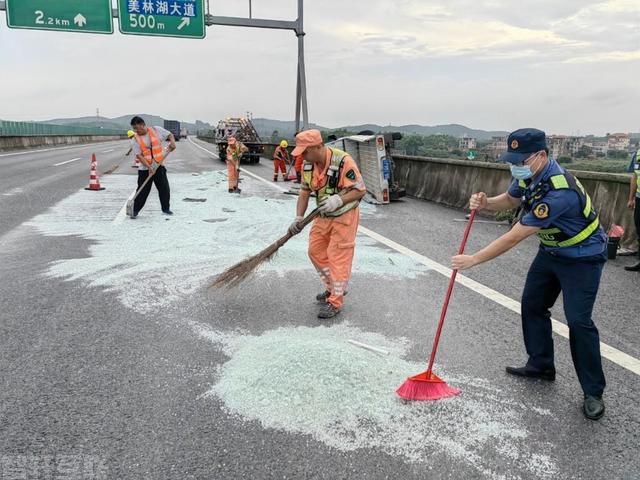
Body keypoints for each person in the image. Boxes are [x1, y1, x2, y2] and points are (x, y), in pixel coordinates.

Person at [451, 128, 607, 421]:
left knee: (578, 320)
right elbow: (509, 200)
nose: (515, 165)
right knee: (532, 304)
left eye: (520, 160)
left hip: (583, 257)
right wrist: (486, 203)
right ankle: (541, 365)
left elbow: (515, 235)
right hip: (551, 251)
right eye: (513, 160)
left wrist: (474, 259)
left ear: (541, 156)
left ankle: (593, 391)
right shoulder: (529, 175)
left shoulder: (559, 191)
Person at [287, 129, 367, 319]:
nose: (303, 156)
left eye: (305, 151)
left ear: (318, 146)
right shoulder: (308, 165)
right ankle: (333, 288)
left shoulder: (343, 162)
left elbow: (360, 190)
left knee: (338, 256)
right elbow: (305, 192)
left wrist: (338, 201)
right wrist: (299, 218)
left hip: (344, 215)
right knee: (315, 251)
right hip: (322, 215)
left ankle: (335, 301)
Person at [130, 116, 176, 218]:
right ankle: (135, 210)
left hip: (159, 165)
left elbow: (170, 134)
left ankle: (166, 209)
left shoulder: (156, 130)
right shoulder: (134, 139)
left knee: (164, 188)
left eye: (138, 128)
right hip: (145, 168)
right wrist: (149, 167)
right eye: (134, 129)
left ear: (143, 125)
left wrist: (172, 142)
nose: (136, 130)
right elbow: (139, 155)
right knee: (142, 190)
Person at [625, 148, 640, 271]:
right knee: (639, 228)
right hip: (639, 198)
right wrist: (631, 198)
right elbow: (635, 176)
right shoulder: (638, 153)